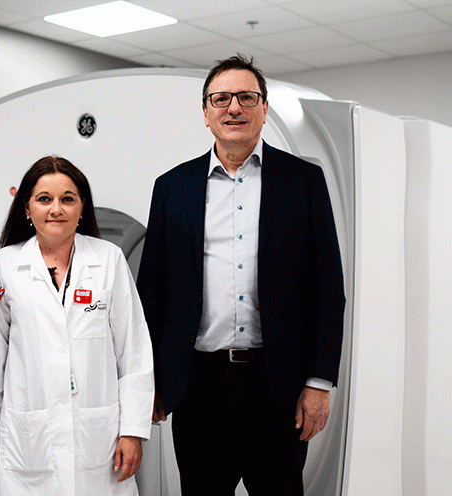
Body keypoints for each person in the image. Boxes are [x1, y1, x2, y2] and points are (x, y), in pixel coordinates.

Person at [137, 55, 346, 495]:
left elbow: (328, 291)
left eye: (247, 97)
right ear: (206, 111)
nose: (234, 107)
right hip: (198, 386)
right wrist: (152, 378)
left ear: (264, 108)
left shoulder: (303, 181)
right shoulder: (172, 187)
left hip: (278, 386)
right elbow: (152, 293)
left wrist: (319, 382)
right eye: (222, 98)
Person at [0, 156, 154, 495]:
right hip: (28, 442)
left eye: (67, 199)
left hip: (98, 442)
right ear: (27, 209)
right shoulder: (5, 264)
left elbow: (133, 351)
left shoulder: (108, 260)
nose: (56, 209)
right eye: (44, 199)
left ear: (81, 208)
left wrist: (133, 430)